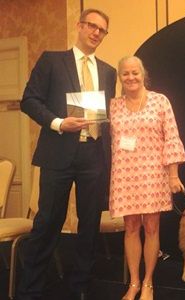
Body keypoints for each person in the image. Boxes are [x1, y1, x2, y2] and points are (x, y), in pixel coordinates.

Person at [17, 8, 116, 300]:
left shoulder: (109, 71)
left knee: (89, 225)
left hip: (93, 156)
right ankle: (30, 289)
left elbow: (109, 115)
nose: (96, 33)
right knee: (48, 221)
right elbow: (28, 100)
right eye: (92, 26)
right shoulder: (51, 60)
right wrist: (59, 123)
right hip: (58, 153)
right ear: (79, 26)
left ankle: (80, 288)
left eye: (102, 30)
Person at [109, 56, 185, 300]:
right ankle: (133, 282)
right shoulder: (113, 106)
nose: (130, 77)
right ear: (120, 77)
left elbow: (172, 138)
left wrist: (173, 175)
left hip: (153, 174)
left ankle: (148, 283)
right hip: (124, 175)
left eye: (135, 73)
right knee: (131, 227)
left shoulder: (160, 101)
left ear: (143, 74)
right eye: (125, 74)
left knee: (152, 228)